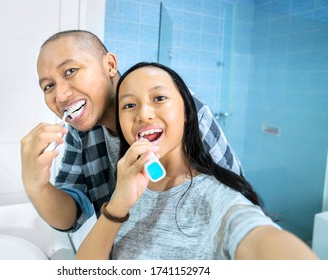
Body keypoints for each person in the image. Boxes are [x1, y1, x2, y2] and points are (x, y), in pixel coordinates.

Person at [75, 62, 318, 260]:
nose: (144, 114)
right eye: (129, 105)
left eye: (159, 98)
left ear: (187, 114)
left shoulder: (218, 199)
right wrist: (119, 204)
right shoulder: (127, 189)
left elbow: (262, 240)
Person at [21, 30, 243, 233]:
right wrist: (37, 186)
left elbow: (236, 203)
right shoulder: (80, 133)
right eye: (48, 86)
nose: (59, 96)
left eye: (70, 71)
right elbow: (70, 217)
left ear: (109, 65)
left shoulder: (182, 112)